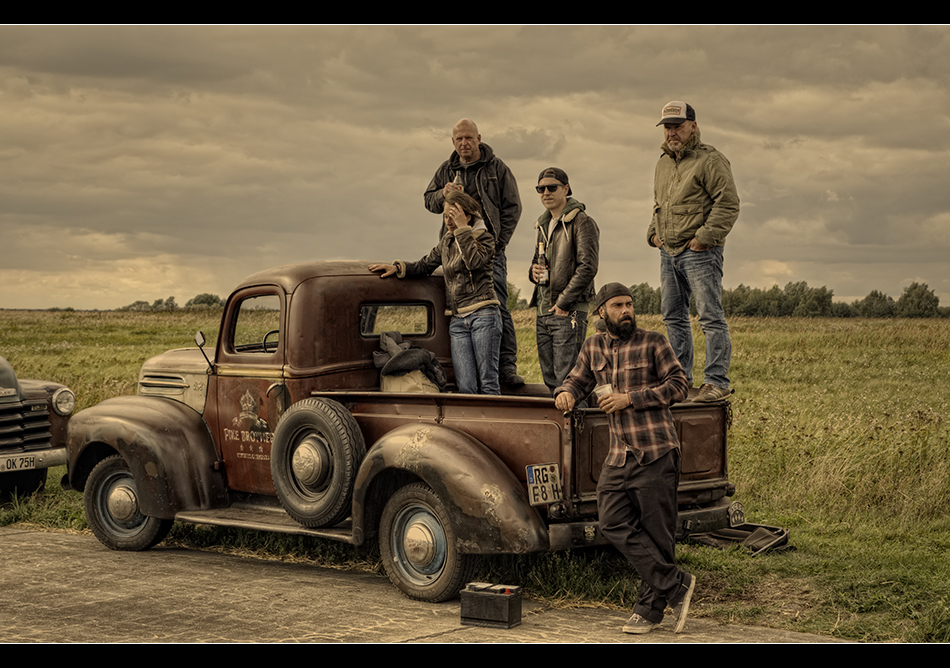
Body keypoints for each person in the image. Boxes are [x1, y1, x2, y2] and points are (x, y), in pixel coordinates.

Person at [554, 283, 694, 635]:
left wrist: (630, 398)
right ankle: (676, 584)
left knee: (658, 535)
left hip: (656, 450)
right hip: (619, 455)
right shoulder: (593, 345)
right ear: (602, 312)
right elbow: (576, 380)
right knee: (611, 520)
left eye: (629, 304)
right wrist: (566, 394)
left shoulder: (653, 342)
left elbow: (679, 385)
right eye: (618, 305)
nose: (626, 310)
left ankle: (649, 610)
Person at [647, 101, 739, 403]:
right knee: (673, 316)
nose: (672, 132)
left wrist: (703, 239)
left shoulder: (711, 160)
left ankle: (716, 381)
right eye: (668, 127)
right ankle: (680, 380)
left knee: (710, 317)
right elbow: (660, 205)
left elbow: (728, 204)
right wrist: (653, 234)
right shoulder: (662, 162)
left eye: (678, 125)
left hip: (700, 253)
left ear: (693, 126)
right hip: (668, 252)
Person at [370, 191, 501, 395]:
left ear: (468, 216)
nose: (448, 221)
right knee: (465, 385)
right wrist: (398, 268)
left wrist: (463, 230)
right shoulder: (446, 242)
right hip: (457, 320)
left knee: (488, 381)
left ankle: (494, 425)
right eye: (445, 216)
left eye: (454, 215)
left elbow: (473, 263)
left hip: (483, 314)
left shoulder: (485, 238)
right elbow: (425, 265)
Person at [424, 118, 523, 386]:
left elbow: (513, 207)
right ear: (453, 142)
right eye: (459, 139)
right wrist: (441, 194)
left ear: (479, 138)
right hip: (453, 248)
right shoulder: (446, 170)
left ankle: (506, 368)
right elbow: (428, 200)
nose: (464, 143)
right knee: (457, 306)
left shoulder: (497, 168)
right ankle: (462, 370)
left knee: (497, 305)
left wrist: (497, 243)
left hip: (486, 247)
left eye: (469, 138)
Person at [528, 167, 599, 396]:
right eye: (541, 189)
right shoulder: (543, 224)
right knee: (551, 381)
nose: (545, 192)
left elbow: (588, 267)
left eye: (552, 187)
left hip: (568, 311)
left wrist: (564, 303)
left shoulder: (582, 221)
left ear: (566, 189)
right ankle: (563, 429)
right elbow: (536, 263)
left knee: (569, 382)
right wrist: (533, 271)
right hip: (544, 311)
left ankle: (579, 429)